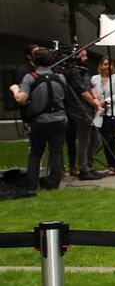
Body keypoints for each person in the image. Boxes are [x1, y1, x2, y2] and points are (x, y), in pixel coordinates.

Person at [8, 47, 68, 192]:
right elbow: (64, 95)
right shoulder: (60, 77)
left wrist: (15, 89)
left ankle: (32, 185)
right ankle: (53, 184)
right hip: (60, 119)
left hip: (40, 121)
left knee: (35, 153)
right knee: (56, 151)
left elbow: (21, 99)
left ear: (34, 61)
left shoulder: (30, 77)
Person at [63, 48, 105, 180]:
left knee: (95, 140)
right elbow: (82, 91)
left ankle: (90, 165)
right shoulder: (73, 73)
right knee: (84, 140)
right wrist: (95, 103)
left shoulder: (84, 70)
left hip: (91, 109)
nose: (86, 58)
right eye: (83, 56)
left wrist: (96, 99)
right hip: (80, 111)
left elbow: (91, 86)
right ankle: (83, 169)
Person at [92, 56, 115, 174]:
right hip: (100, 111)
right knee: (103, 139)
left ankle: (114, 165)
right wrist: (97, 101)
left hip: (113, 111)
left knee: (110, 137)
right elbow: (93, 92)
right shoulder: (94, 79)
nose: (107, 67)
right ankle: (110, 164)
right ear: (101, 66)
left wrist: (106, 101)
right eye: (105, 64)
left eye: (109, 64)